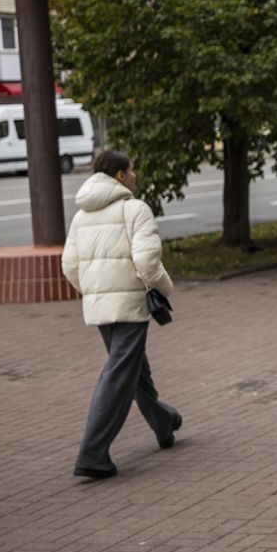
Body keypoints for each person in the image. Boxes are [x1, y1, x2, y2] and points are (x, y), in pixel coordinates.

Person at [62, 151, 180, 479]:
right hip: (129, 304)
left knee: (134, 370)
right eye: (132, 170)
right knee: (118, 374)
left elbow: (69, 266)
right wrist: (163, 289)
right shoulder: (135, 209)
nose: (135, 175)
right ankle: (93, 453)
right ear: (119, 176)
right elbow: (147, 263)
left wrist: (95, 290)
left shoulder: (81, 216)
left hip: (100, 306)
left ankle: (163, 422)